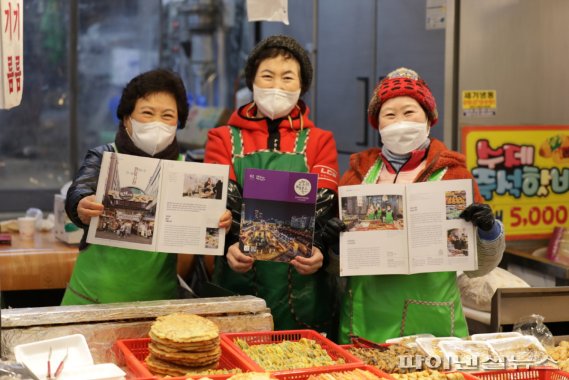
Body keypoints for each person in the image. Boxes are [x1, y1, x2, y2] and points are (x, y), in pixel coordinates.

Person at [322, 67, 505, 343]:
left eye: (409, 113)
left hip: (433, 319)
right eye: (390, 115)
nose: (400, 123)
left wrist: (488, 230)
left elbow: (477, 267)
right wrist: (334, 245)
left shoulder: (455, 175)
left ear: (429, 119)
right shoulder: (356, 177)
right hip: (366, 318)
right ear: (378, 124)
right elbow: (337, 266)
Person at [203, 35, 340, 335]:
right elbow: (222, 200)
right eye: (267, 75)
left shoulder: (320, 140)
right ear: (251, 80)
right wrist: (231, 245)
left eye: (288, 77)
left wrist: (316, 247)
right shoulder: (221, 138)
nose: (277, 85)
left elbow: (325, 202)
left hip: (302, 285)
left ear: (302, 86)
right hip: (239, 272)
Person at [62, 69, 232, 305]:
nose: (157, 123)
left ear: (178, 122)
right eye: (147, 113)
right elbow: (79, 190)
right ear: (126, 118)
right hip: (92, 299)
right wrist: (81, 204)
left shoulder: (189, 169)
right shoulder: (104, 157)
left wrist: (218, 220)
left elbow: (205, 234)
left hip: (157, 304)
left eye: (167, 116)